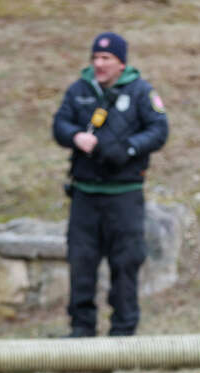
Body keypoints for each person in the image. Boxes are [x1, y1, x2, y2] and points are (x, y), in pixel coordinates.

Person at [51, 32, 168, 337]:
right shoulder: (79, 90)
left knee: (126, 263)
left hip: (124, 196)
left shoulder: (141, 92)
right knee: (81, 262)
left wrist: (128, 148)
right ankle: (81, 331)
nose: (99, 64)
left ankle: (123, 334)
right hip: (84, 195)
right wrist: (76, 136)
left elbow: (159, 130)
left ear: (121, 63)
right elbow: (59, 124)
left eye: (106, 58)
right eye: (95, 58)